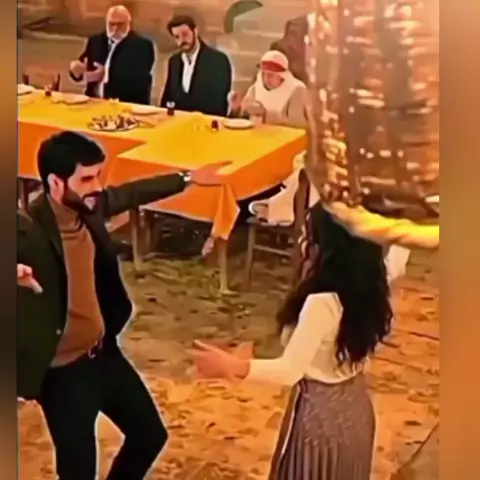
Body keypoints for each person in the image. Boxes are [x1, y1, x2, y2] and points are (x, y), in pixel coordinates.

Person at [17, 130, 229, 479]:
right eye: (87, 179)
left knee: (149, 436)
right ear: (55, 183)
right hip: (61, 374)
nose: (97, 186)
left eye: (98, 175)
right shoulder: (25, 230)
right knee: (78, 472)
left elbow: (130, 193)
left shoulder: (87, 207)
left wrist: (188, 178)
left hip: (103, 354)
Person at [192, 201, 409, 480]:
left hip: (321, 420)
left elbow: (290, 370)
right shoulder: (371, 284)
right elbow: (397, 262)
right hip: (355, 410)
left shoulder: (323, 302)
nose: (303, 242)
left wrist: (233, 367)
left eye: (310, 235)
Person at [69, 5, 155, 105]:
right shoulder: (96, 41)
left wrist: (104, 74)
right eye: (111, 24)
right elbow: (82, 68)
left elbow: (137, 80)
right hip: (94, 103)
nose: (115, 28)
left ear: (129, 24)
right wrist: (76, 71)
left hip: (126, 105)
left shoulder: (142, 46)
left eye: (120, 24)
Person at [160, 15, 232, 116]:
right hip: (178, 122)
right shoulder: (174, 61)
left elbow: (218, 102)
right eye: (177, 37)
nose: (181, 41)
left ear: (195, 31)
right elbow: (168, 97)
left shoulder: (218, 60)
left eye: (185, 34)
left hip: (205, 122)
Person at [229, 50, 308, 129]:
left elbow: (298, 125)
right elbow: (245, 114)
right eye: (263, 74)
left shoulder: (297, 90)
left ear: (281, 76)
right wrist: (237, 108)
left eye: (271, 75)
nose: (266, 79)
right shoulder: (257, 86)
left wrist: (265, 115)